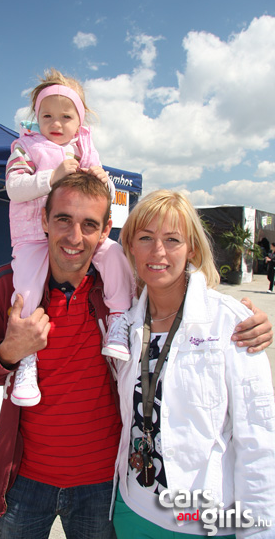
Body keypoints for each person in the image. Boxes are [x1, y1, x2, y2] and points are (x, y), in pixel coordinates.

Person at [0, 173, 272, 539]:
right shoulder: (9, 285)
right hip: (23, 480)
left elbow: (178, 293)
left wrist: (242, 318)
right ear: (44, 219)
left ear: (106, 230)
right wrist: (8, 352)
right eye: (63, 219)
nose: (74, 237)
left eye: (89, 224)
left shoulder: (122, 290)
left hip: (104, 485)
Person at [113, 190, 275, 538]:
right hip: (133, 511)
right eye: (145, 238)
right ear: (130, 247)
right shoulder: (124, 325)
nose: (158, 251)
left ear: (192, 250)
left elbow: (258, 441)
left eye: (172, 239)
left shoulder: (231, 323)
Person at [5, 68, 134, 407]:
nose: (56, 123)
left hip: (77, 234)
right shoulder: (25, 146)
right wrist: (52, 177)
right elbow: (14, 188)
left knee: (114, 254)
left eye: (66, 116)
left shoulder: (86, 147)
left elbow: (105, 195)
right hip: (32, 235)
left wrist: (104, 181)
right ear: (36, 117)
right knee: (27, 289)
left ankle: (119, 319)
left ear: (80, 121)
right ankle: (27, 358)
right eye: (47, 115)